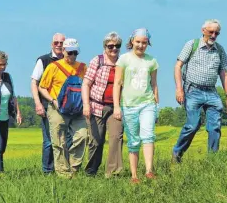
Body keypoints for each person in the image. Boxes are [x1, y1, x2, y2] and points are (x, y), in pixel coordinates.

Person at [172, 19, 227, 163]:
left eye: (216, 33)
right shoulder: (192, 45)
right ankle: (177, 154)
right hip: (193, 90)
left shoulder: (219, 49)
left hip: (212, 93)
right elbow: (177, 66)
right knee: (193, 125)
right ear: (203, 30)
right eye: (211, 32)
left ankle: (212, 160)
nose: (213, 35)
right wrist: (179, 89)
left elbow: (223, 73)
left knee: (215, 128)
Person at [113, 28, 159, 184]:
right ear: (132, 41)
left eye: (144, 43)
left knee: (148, 135)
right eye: (138, 42)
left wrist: (156, 104)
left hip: (147, 103)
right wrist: (116, 106)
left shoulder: (152, 61)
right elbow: (117, 83)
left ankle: (149, 171)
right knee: (133, 140)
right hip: (129, 105)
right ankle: (134, 175)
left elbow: (154, 84)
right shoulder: (123, 60)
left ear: (148, 43)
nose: (141, 45)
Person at [39, 38, 88, 178]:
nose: (72, 56)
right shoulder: (53, 66)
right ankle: (63, 174)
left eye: (75, 53)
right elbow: (42, 87)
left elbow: (88, 86)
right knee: (58, 141)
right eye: (70, 53)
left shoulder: (83, 67)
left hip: (78, 109)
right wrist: (52, 100)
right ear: (64, 51)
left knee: (82, 136)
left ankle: (73, 168)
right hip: (57, 109)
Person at [82, 32, 124, 177]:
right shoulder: (97, 61)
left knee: (116, 138)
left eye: (117, 46)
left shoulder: (123, 63)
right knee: (96, 141)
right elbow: (86, 83)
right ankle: (91, 171)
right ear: (104, 47)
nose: (114, 49)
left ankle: (112, 174)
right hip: (96, 106)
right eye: (110, 46)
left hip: (115, 108)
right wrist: (86, 105)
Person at [31, 33, 71, 174]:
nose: (59, 45)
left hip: (68, 107)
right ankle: (48, 171)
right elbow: (34, 82)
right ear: (51, 44)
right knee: (49, 140)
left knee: (67, 139)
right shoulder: (44, 60)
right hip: (48, 105)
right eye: (56, 43)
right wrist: (38, 103)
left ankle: (64, 168)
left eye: (62, 43)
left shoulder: (70, 60)